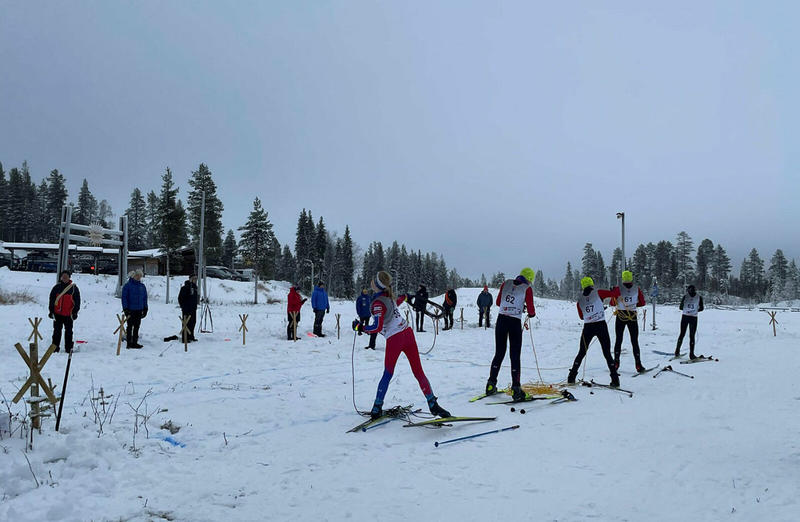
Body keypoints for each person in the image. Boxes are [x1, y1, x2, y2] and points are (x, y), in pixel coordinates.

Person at [364, 271, 450, 419]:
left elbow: (376, 327)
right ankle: (433, 404)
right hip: (408, 334)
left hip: (395, 339)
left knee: (388, 373)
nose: (371, 281)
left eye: (373, 280)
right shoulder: (388, 297)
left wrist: (360, 327)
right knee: (418, 372)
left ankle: (377, 408)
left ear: (376, 285)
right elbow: (397, 302)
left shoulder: (378, 302)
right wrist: (405, 297)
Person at [485, 268, 536, 401]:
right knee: (514, 355)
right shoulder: (527, 289)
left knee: (499, 353)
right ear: (529, 279)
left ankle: (490, 384)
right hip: (514, 322)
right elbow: (532, 311)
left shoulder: (506, 283)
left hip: (501, 320)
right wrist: (526, 310)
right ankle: (516, 389)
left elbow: (498, 302)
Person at [567, 277, 619, 387]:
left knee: (581, 352)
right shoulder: (598, 292)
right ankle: (615, 379)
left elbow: (581, 316)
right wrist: (614, 289)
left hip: (588, 327)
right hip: (600, 326)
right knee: (607, 353)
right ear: (591, 284)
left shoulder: (580, 300)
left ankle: (571, 377)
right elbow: (615, 293)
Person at [610, 270, 646, 372]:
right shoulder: (637, 289)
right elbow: (642, 302)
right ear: (631, 278)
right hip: (632, 315)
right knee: (634, 341)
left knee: (618, 340)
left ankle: (616, 363)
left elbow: (612, 303)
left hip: (621, 315)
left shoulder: (618, 289)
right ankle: (638, 364)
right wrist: (634, 305)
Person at [48, 270, 80, 353]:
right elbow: (52, 300)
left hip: (69, 314)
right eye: (63, 276)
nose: (64, 278)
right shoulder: (56, 288)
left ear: (69, 278)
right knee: (56, 332)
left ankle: (68, 348)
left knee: (69, 332)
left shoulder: (74, 288)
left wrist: (75, 312)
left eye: (66, 276)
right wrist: (51, 311)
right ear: (61, 277)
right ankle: (54, 348)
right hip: (57, 314)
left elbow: (77, 301)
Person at [675, 285, 704, 359]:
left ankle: (677, 351)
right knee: (692, 336)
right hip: (693, 318)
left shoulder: (685, 296)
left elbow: (680, 307)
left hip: (685, 317)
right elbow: (702, 308)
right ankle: (691, 354)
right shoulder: (699, 297)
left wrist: (687, 309)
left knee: (682, 334)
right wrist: (695, 310)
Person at [121, 269, 148, 349]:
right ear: (133, 276)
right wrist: (125, 308)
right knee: (130, 326)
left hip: (139, 309)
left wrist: (145, 307)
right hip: (130, 309)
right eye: (137, 276)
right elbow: (124, 298)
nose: (139, 277)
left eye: (140, 276)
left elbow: (145, 298)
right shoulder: (127, 286)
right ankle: (129, 342)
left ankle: (135, 342)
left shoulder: (142, 286)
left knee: (137, 326)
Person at [178, 274, 199, 342]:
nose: (195, 280)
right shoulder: (185, 287)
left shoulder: (195, 287)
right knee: (186, 323)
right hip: (186, 309)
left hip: (193, 308)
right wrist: (183, 306)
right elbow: (180, 298)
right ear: (190, 279)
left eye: (196, 279)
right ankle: (185, 338)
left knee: (193, 322)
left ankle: (191, 336)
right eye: (194, 279)